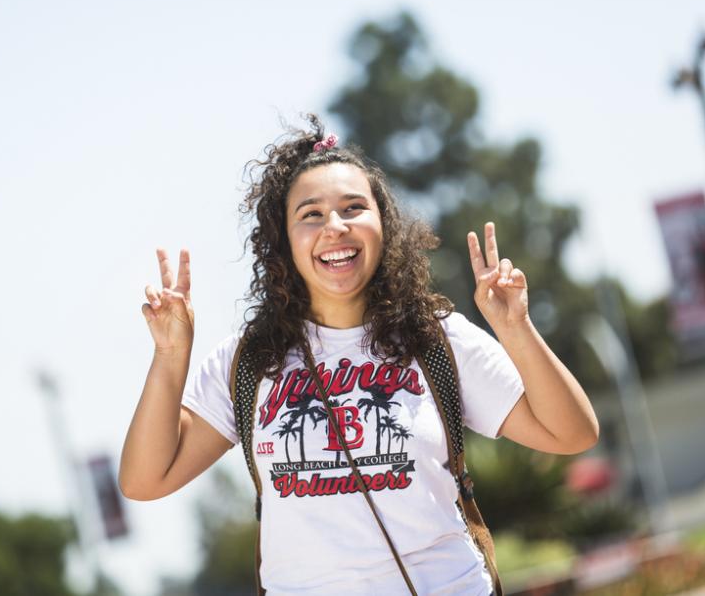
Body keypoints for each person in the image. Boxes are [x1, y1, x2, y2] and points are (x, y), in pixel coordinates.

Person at [119, 115, 599, 595]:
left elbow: (572, 433)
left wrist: (515, 327)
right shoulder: (247, 363)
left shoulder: (437, 340)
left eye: (353, 208)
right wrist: (170, 354)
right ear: (283, 241)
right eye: (310, 214)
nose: (335, 227)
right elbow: (144, 480)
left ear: (383, 224)